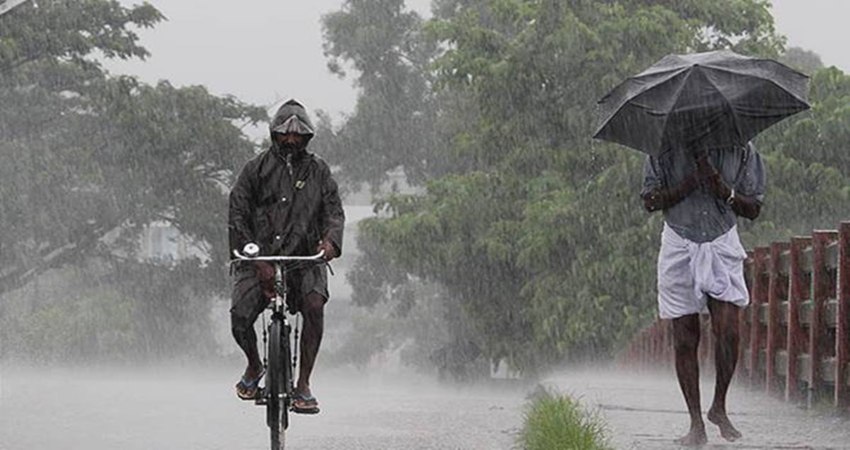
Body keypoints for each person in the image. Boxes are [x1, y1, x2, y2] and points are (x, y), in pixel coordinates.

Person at [641, 142, 765, 446]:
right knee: (684, 337)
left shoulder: (742, 148)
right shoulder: (663, 148)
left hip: (721, 239)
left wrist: (722, 189)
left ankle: (718, 406)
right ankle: (695, 422)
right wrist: (689, 183)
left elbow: (754, 208)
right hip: (677, 240)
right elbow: (650, 200)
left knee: (729, 330)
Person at [228, 99, 344, 414]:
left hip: (304, 258)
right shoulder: (254, 170)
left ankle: (303, 384)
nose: (291, 140)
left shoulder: (319, 171)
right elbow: (237, 213)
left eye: (298, 135)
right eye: (284, 134)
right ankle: (254, 366)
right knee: (239, 316)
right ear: (274, 134)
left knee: (314, 306)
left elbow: (334, 211)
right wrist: (256, 258)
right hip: (257, 258)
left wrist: (330, 243)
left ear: (307, 137)